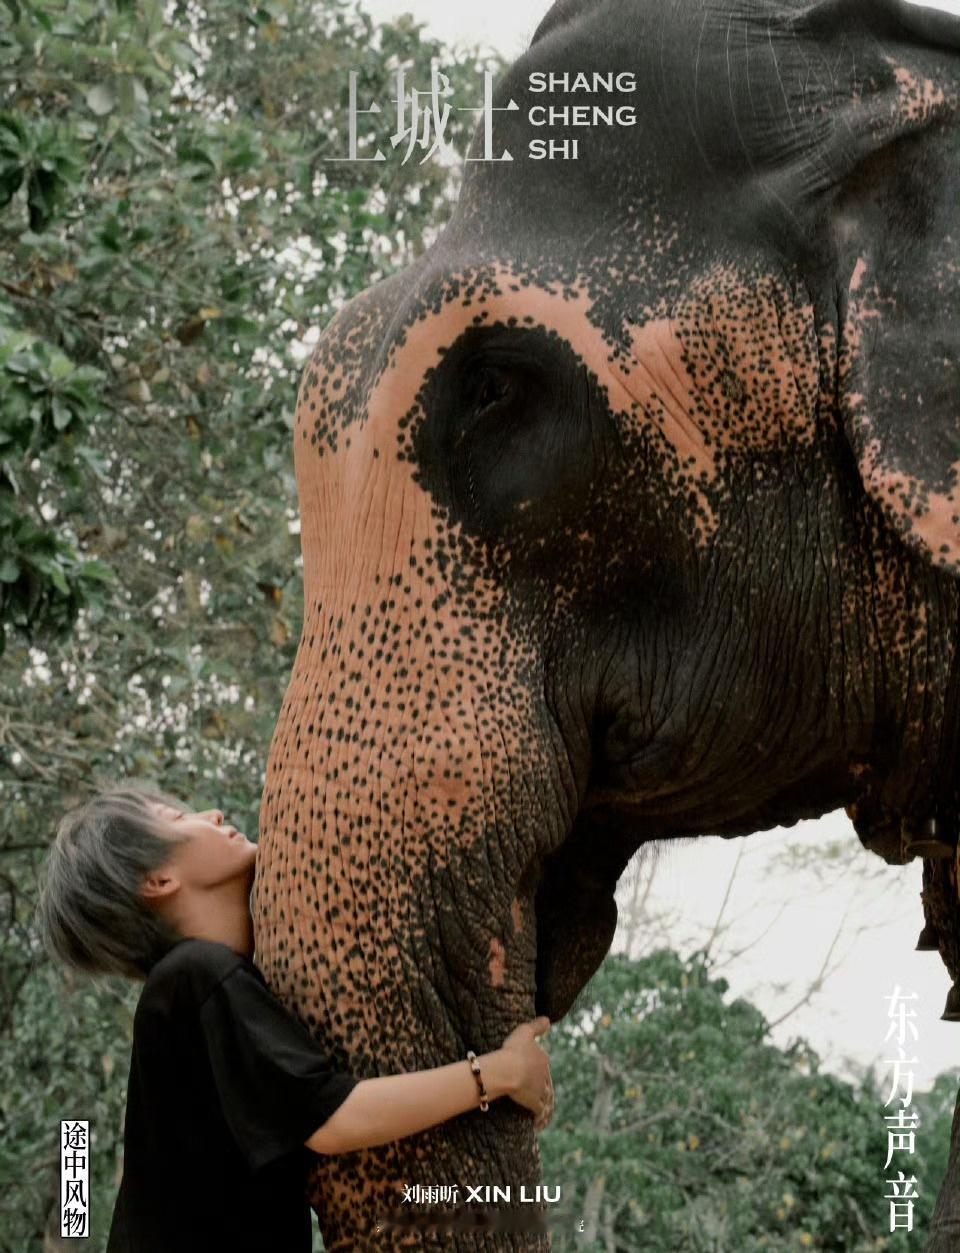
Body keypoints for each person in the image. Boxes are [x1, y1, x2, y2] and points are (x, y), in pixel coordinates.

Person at [37, 782, 554, 1253]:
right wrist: (502, 1072)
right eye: (176, 819)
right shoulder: (195, 978)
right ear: (158, 879)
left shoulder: (203, 987)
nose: (212, 814)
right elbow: (333, 1121)